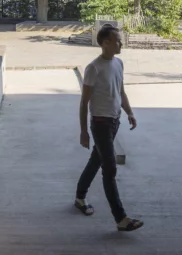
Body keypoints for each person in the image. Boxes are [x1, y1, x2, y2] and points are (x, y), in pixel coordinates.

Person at [74, 23, 144, 232]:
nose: (121, 43)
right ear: (106, 43)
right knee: (109, 169)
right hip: (100, 123)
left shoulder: (119, 63)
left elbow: (120, 92)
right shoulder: (93, 68)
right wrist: (84, 131)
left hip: (114, 122)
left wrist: (129, 112)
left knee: (96, 160)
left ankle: (79, 197)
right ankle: (121, 218)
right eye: (117, 40)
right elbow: (84, 102)